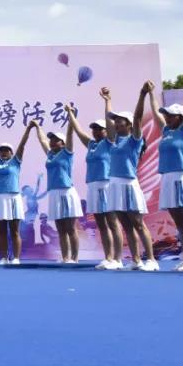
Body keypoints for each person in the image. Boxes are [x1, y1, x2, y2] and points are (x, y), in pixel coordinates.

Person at [147, 85, 183, 272]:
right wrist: (150, 93)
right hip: (167, 179)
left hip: (181, 178)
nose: (168, 118)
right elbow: (156, 113)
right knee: (180, 224)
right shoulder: (166, 132)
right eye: (167, 115)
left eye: (171, 115)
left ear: (180, 117)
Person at [105, 84, 159, 272]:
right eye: (116, 121)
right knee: (126, 225)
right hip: (115, 184)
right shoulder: (114, 140)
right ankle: (136, 260)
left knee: (138, 223)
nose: (116, 123)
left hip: (129, 183)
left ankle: (151, 259)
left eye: (120, 121)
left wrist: (142, 94)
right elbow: (108, 121)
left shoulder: (135, 139)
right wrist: (107, 100)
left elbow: (137, 117)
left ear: (129, 124)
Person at [67, 105, 123, 270]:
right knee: (101, 224)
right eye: (94, 129)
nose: (96, 132)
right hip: (92, 186)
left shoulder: (110, 142)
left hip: (106, 184)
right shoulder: (91, 145)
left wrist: (106, 102)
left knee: (112, 222)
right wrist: (70, 114)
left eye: (99, 129)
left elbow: (110, 124)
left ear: (107, 131)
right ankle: (108, 257)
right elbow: (78, 132)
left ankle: (118, 259)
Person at [0, 120, 35, 265]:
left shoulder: (16, 161)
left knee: (14, 231)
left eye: (6, 150)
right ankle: (4, 257)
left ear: (11, 152)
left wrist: (28, 129)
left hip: (13, 197)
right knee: (2, 231)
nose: (3, 152)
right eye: (1, 150)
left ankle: (16, 258)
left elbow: (22, 144)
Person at [34, 118, 82, 263]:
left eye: (56, 140)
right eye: (52, 140)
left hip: (66, 192)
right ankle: (65, 257)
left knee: (70, 228)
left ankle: (75, 258)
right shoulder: (50, 155)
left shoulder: (67, 153)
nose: (52, 142)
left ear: (63, 143)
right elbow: (43, 140)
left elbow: (70, 135)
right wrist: (37, 126)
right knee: (60, 229)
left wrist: (70, 120)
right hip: (54, 193)